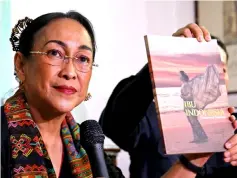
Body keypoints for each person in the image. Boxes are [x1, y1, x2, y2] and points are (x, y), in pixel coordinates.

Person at [99, 24, 237, 178]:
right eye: (204, 67)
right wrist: (161, 61)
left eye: (221, 68)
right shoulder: (148, 112)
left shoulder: (234, 124)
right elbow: (113, 125)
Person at [1, 11, 124, 178]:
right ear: (21, 65)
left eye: (82, 58)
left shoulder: (86, 145)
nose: (70, 72)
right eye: (55, 53)